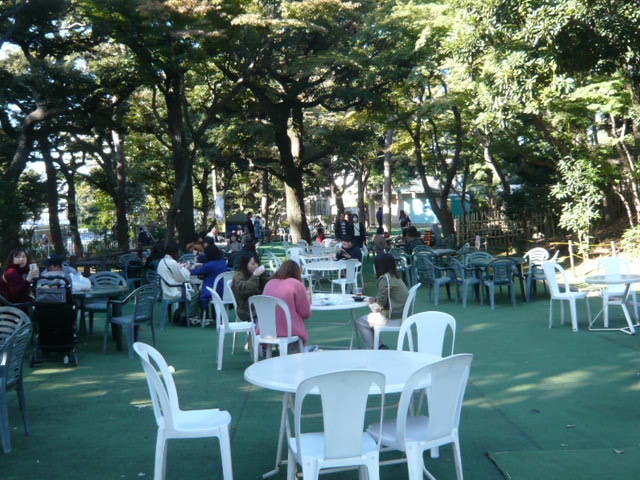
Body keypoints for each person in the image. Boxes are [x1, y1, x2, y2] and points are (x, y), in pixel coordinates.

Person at [355, 253, 409, 349]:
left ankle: (375, 348)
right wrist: (376, 299)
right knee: (369, 320)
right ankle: (379, 345)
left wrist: (370, 303)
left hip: (394, 318)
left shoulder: (385, 279)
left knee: (361, 321)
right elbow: (387, 297)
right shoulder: (395, 276)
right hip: (402, 315)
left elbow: (378, 308)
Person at [262, 260, 312, 350]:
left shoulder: (269, 283)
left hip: (267, 330)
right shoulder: (297, 285)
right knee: (297, 323)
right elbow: (305, 313)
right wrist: (308, 299)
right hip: (289, 330)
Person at [189, 244, 228, 311]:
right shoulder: (223, 263)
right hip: (224, 292)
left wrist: (187, 268)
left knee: (195, 295)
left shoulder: (209, 265)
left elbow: (195, 272)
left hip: (210, 293)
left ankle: (196, 313)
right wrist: (203, 265)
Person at [231, 253, 269, 322]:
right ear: (245, 264)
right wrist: (255, 276)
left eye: (257, 263)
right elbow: (245, 291)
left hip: (259, 305)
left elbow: (268, 286)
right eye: (253, 264)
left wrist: (264, 275)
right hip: (246, 310)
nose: (256, 266)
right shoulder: (238, 275)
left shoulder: (259, 274)